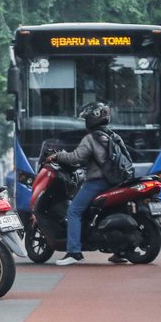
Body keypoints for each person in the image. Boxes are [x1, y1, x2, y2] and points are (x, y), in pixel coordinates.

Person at [46, 101, 129, 265]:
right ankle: (120, 251)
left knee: (74, 211)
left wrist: (58, 156)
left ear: (92, 119)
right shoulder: (113, 135)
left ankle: (74, 252)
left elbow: (76, 157)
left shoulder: (91, 138)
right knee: (111, 212)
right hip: (118, 180)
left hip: (99, 181)